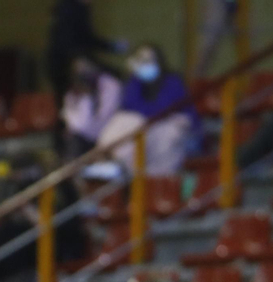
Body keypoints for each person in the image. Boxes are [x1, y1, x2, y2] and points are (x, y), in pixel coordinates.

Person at [99, 44, 197, 177]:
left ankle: (152, 175)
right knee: (125, 121)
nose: (146, 66)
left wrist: (145, 114)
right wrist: (136, 78)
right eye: (142, 62)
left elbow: (164, 109)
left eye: (149, 62)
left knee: (164, 132)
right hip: (148, 126)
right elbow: (129, 105)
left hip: (174, 128)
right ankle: (120, 165)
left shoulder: (173, 81)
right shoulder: (135, 81)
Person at [46, 0, 124, 108]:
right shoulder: (68, 8)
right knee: (68, 103)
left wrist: (112, 46)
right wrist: (77, 60)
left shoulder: (81, 9)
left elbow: (87, 38)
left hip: (72, 61)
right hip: (64, 64)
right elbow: (66, 40)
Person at [61, 56, 123, 157]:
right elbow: (73, 120)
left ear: (95, 66)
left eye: (86, 68)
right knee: (72, 139)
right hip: (84, 135)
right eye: (79, 71)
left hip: (107, 130)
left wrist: (88, 97)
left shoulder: (111, 85)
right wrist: (86, 97)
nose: (83, 74)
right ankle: (75, 170)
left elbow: (104, 117)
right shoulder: (73, 92)